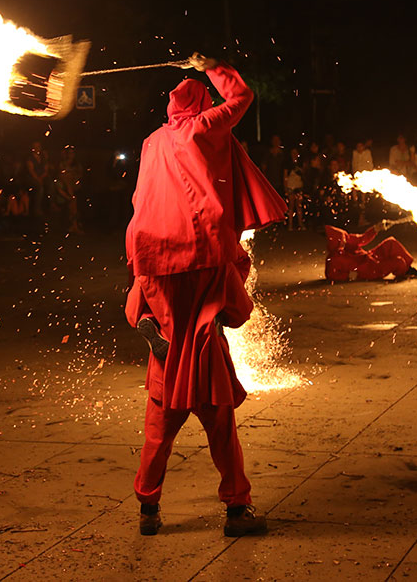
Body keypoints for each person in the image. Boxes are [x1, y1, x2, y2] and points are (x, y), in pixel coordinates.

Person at [125, 52, 286, 537]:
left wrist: (146, 315)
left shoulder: (153, 142)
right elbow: (241, 97)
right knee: (221, 429)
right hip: (202, 318)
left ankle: (148, 510)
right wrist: (211, 63)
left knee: (158, 433)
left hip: (155, 273)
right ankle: (237, 509)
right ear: (199, 106)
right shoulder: (203, 128)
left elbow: (143, 200)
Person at [324, 221, 417, 281]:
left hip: (370, 257)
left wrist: (376, 229)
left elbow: (362, 239)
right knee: (399, 262)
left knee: (391, 242)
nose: (345, 241)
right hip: (369, 270)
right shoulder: (333, 260)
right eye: (342, 241)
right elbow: (330, 275)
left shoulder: (346, 240)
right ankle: (403, 271)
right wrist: (348, 276)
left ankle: (408, 269)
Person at [25, 141, 50, 216]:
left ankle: (51, 204)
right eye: (35, 147)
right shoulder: (30, 158)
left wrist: (42, 177)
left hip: (42, 177)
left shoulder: (43, 158)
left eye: (38, 147)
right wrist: (38, 179)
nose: (37, 149)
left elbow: (46, 170)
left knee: (51, 184)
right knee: (40, 187)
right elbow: (31, 171)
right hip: (32, 178)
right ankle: (37, 208)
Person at [284, 147, 305, 230]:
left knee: (299, 206)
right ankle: (290, 224)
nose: (294, 154)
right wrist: (285, 187)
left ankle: (300, 223)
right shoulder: (287, 164)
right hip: (290, 186)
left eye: (296, 152)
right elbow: (285, 175)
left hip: (298, 186)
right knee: (291, 206)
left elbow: (303, 174)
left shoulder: (300, 163)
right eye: (293, 152)